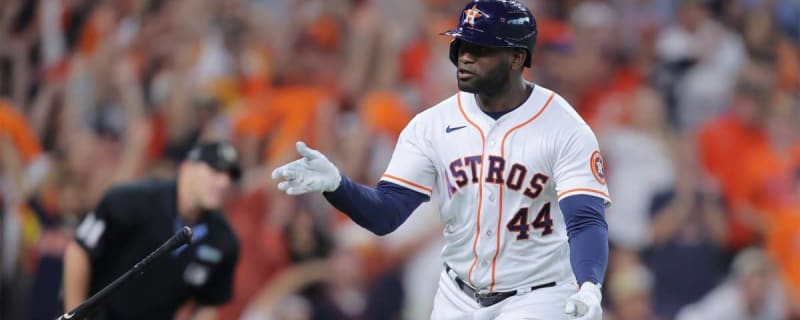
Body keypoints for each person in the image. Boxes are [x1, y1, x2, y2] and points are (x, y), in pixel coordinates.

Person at [271, 1, 611, 319]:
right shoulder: (431, 124)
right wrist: (337, 185)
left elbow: (585, 220)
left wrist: (589, 284)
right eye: (462, 46)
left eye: (480, 49)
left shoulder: (564, 127)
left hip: (536, 296)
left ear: (517, 59)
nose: (465, 57)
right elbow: (387, 214)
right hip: (457, 295)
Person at [62, 142, 241, 320]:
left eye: (230, 176)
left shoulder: (223, 240)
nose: (224, 182)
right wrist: (75, 315)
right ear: (187, 167)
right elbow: (79, 252)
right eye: (216, 171)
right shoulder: (130, 200)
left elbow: (208, 305)